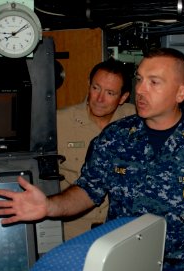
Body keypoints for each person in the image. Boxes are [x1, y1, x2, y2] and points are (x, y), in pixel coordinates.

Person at [0, 48, 184, 271]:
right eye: (139, 79)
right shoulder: (115, 137)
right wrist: (49, 207)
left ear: (181, 92)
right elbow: (88, 190)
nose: (141, 89)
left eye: (154, 82)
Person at [57, 59, 135, 240]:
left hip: (122, 232)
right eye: (95, 88)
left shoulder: (137, 121)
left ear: (123, 97)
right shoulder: (59, 123)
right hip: (73, 234)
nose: (99, 99)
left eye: (110, 93)